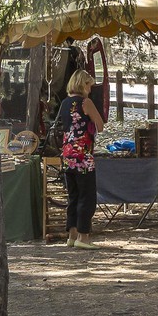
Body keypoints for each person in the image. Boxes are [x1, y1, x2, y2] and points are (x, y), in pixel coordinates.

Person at [55, 69, 104, 249]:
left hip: (68, 153)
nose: (90, 89)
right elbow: (100, 125)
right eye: (89, 85)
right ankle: (83, 236)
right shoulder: (85, 102)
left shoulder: (64, 103)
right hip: (83, 153)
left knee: (73, 195)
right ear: (83, 85)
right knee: (87, 195)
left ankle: (72, 234)